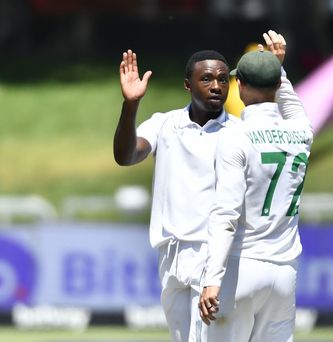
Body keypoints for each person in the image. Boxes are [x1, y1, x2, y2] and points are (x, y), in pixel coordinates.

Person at [113, 48, 239, 341]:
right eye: (206, 79)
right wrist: (130, 105)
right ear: (187, 84)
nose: (217, 86)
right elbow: (126, 155)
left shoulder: (237, 132)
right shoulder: (164, 123)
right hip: (171, 253)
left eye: (223, 79)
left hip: (214, 254)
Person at [198, 31, 313, 341]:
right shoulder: (302, 132)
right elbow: (292, 107)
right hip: (284, 271)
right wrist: (280, 68)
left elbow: (226, 214)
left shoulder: (235, 136)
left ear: (240, 86)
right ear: (277, 86)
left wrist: (212, 278)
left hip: (241, 267)